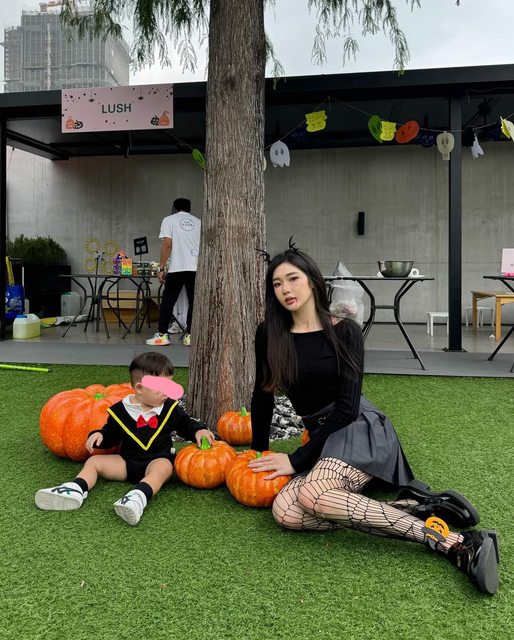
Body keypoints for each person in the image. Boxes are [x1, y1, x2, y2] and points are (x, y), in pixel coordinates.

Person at [249, 244, 499, 595]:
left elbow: (347, 408)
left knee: (313, 494)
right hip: (322, 436)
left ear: (313, 281)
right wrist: (256, 452)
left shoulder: (345, 331)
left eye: (293, 279)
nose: (286, 289)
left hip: (357, 426)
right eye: (277, 284)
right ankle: (416, 507)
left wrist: (295, 460)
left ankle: (456, 543)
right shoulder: (269, 334)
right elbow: (262, 395)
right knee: (287, 512)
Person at [35, 352, 214, 525]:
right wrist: (100, 435)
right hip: (127, 463)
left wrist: (198, 431)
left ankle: (138, 497)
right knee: (94, 462)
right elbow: (112, 434)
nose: (167, 392)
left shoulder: (169, 408)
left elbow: (185, 424)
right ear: (140, 388)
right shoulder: (120, 411)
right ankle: (76, 488)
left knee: (164, 467)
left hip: (156, 460)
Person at [146, 197, 201, 347]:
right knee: (194, 302)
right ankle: (190, 335)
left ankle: (162, 335)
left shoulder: (169, 220)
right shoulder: (199, 222)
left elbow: (167, 245)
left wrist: (161, 268)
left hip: (177, 267)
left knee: (168, 301)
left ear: (174, 208)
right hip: (195, 267)